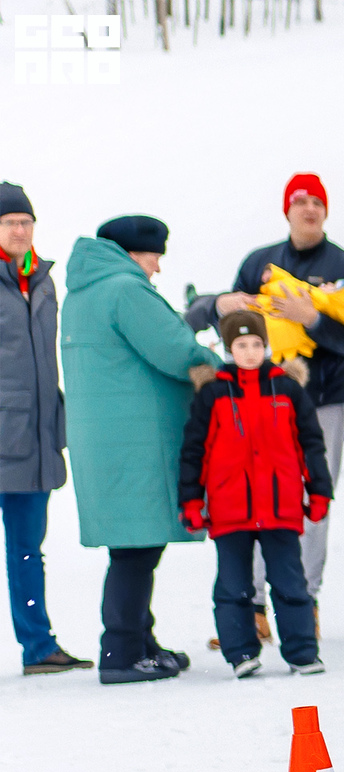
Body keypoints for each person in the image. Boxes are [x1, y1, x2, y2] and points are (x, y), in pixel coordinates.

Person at [183, 174, 344, 619]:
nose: (309, 209)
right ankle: (253, 605)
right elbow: (234, 328)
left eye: (317, 202)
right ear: (287, 210)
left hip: (323, 399)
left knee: (313, 499)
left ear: (326, 210)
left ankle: (305, 601)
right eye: (300, 201)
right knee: (255, 497)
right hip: (260, 404)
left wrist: (313, 319)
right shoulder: (259, 262)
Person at [61, 216, 221, 684]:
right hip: (135, 443)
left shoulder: (84, 291)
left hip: (108, 441)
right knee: (136, 551)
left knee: (132, 547)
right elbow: (176, 350)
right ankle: (122, 652)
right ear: (131, 253)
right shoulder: (125, 289)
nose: (157, 268)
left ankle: (140, 642)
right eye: (154, 257)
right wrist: (221, 369)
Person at [178, 311, 332, 678]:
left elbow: (311, 444)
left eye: (257, 344)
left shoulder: (287, 390)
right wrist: (191, 500)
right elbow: (194, 451)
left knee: (290, 582)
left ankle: (302, 653)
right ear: (229, 349)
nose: (250, 352)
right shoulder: (213, 393)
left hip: (280, 507)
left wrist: (319, 491)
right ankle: (241, 652)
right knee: (233, 586)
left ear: (266, 346)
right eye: (241, 345)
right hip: (230, 508)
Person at [0, 181, 89, 675]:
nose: (20, 230)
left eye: (26, 222)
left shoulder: (44, 280)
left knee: (27, 552)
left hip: (34, 437)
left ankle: (38, 647)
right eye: (10, 222)